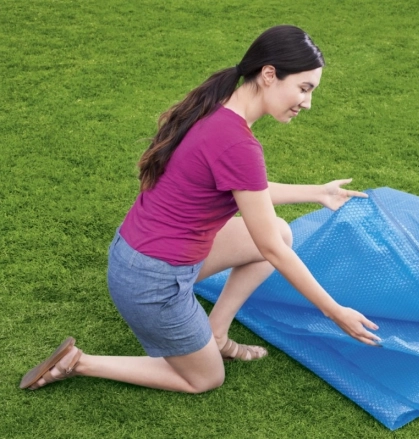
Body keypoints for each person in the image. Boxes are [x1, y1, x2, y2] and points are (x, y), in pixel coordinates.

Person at [20, 25, 380, 393]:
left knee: (281, 231)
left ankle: (216, 334)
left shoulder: (214, 111)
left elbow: (247, 189)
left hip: (135, 259)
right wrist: (334, 311)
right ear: (269, 74)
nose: (307, 102)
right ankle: (80, 362)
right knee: (206, 378)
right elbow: (271, 248)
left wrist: (317, 192)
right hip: (153, 282)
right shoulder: (238, 143)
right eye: (304, 88)